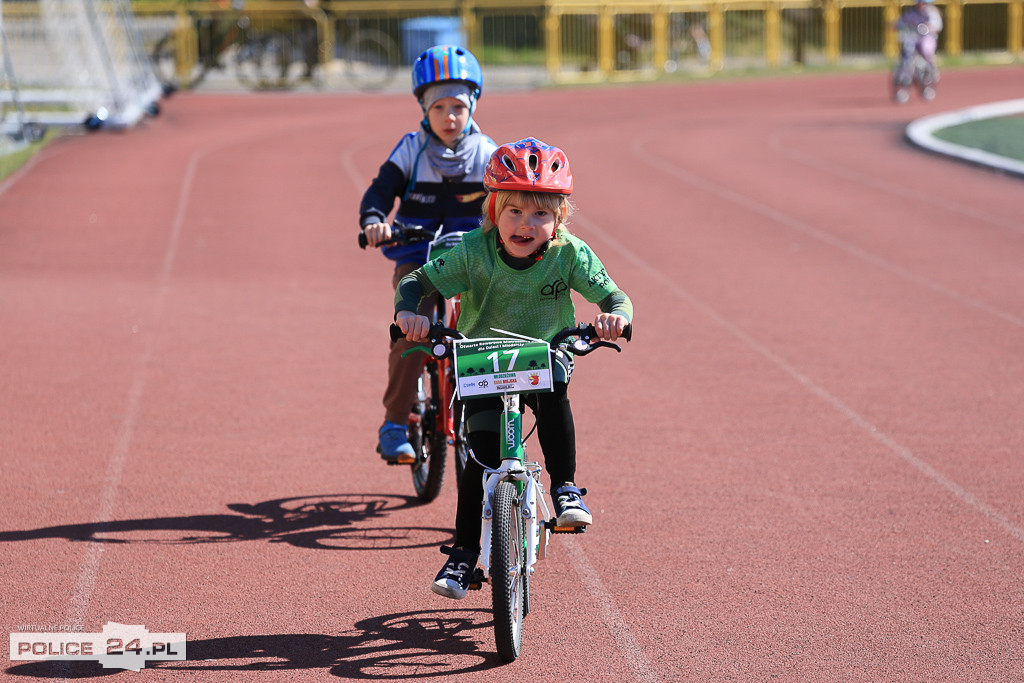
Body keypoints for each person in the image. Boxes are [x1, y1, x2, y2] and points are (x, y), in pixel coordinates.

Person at [393, 138, 634, 599]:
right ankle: (463, 553)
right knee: (480, 457)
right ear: (493, 212)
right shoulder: (473, 251)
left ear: (559, 219)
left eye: (541, 214)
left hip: (544, 354)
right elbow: (416, 281)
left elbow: (615, 297)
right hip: (483, 359)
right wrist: (412, 313)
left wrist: (614, 318)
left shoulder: (570, 254)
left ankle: (565, 488)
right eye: (515, 212)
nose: (527, 224)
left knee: (553, 398)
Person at [360, 45, 497, 464]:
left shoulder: (488, 154)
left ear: (473, 105)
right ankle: (396, 422)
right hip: (417, 253)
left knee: (491, 323)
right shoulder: (411, 149)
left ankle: (493, 415)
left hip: (471, 256)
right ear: (423, 107)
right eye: (439, 107)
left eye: (459, 105)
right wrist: (374, 219)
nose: (450, 117)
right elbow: (380, 191)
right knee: (413, 328)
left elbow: (512, 200)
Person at [895, 0, 943, 69]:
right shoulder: (912, 13)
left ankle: (932, 67)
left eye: (924, 3)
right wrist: (897, 25)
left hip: (927, 38)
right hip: (914, 38)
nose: (922, 5)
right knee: (907, 48)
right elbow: (903, 21)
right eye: (920, 3)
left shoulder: (932, 13)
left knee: (926, 48)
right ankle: (905, 68)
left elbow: (937, 26)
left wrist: (929, 28)